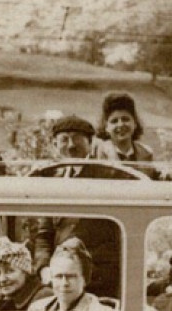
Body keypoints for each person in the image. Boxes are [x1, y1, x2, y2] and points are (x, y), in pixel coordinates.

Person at [22, 116, 124, 297]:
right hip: (61, 279)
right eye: (64, 139)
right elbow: (44, 235)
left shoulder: (108, 175)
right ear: (55, 145)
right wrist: (44, 268)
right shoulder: (53, 180)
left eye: (77, 138)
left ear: (90, 143)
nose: (70, 145)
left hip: (99, 281)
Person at [19, 241, 121, 311]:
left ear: (85, 279)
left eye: (71, 276)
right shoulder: (37, 309)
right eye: (58, 276)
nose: (64, 283)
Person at [92, 92, 160, 177]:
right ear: (106, 127)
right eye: (114, 121)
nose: (120, 125)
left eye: (125, 119)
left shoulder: (146, 153)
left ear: (135, 123)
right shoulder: (97, 152)